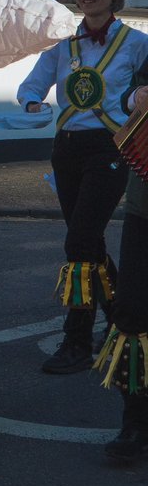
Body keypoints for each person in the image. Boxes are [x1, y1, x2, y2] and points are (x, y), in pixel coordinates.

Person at [17, 0, 148, 375]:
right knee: (87, 241)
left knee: (79, 243)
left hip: (110, 149)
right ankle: (121, 317)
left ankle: (76, 341)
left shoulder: (137, 43)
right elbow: (34, 82)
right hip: (67, 149)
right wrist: (31, 101)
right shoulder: (64, 45)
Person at [95, 65, 148, 463]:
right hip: (145, 207)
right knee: (131, 311)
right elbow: (128, 94)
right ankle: (136, 424)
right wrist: (137, 97)